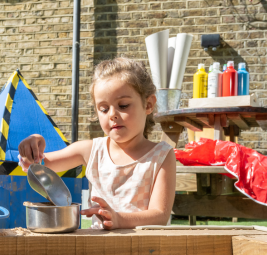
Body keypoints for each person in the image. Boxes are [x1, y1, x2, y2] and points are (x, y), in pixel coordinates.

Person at [18, 57, 176, 230]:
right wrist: (33, 145)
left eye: (123, 105)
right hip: (98, 249)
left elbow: (160, 215)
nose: (112, 115)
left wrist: (119, 219)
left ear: (148, 104)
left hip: (144, 252)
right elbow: (37, 166)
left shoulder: (161, 155)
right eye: (104, 109)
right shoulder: (91, 150)